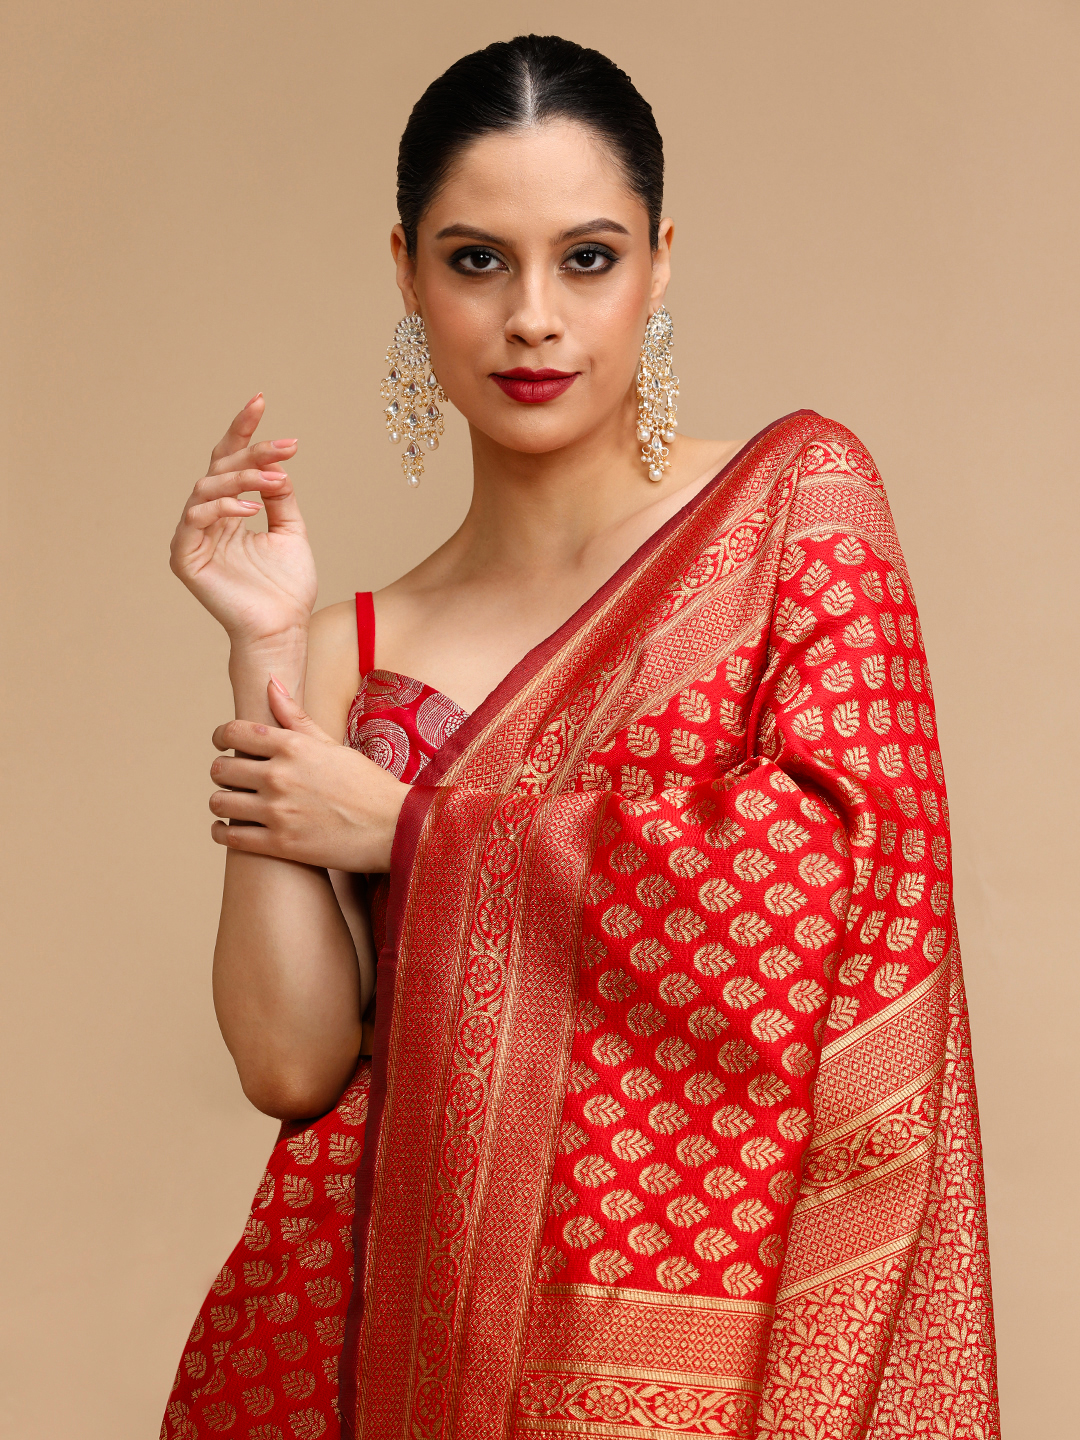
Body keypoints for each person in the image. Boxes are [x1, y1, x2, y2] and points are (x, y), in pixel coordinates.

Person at [162, 33, 998, 1440]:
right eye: (477, 261)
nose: (533, 318)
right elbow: (292, 1067)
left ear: (661, 263)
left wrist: (412, 830)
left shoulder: (792, 512)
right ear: (408, 273)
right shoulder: (354, 643)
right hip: (403, 1339)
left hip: (689, 1358)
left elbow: (838, 884)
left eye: (588, 259)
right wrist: (262, 649)